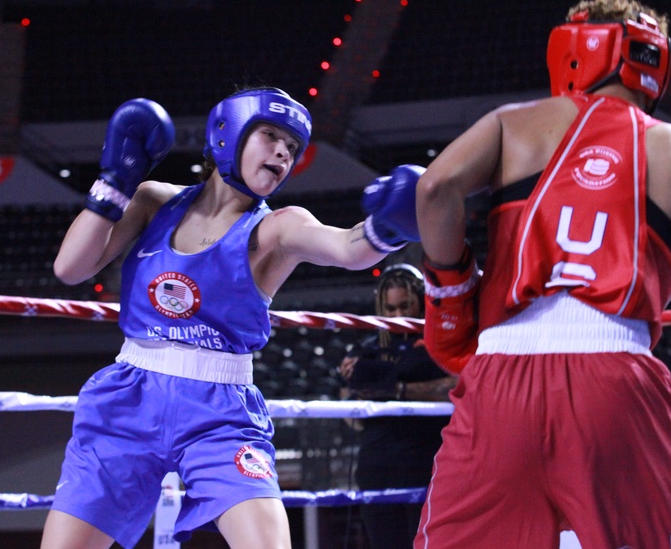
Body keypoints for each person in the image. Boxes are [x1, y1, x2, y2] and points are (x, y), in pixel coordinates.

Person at [41, 87, 424, 549]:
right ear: (228, 134)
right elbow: (71, 267)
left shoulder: (277, 228)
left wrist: (387, 227)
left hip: (219, 411)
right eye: (271, 136)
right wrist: (115, 181)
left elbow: (348, 248)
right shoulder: (152, 200)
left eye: (293, 148)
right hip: (129, 397)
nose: (283, 152)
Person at [414, 0, 671, 548]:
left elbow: (435, 188)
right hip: (617, 374)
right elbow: (663, 285)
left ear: (577, 47)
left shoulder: (517, 124)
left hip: (502, 373)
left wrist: (453, 292)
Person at [337, 263, 457, 549]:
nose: (399, 316)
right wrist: (358, 391)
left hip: (429, 463)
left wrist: (399, 389)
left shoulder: (441, 344)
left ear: (421, 302)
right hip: (378, 465)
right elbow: (351, 420)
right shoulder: (365, 350)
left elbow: (460, 386)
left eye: (405, 307)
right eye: (391, 310)